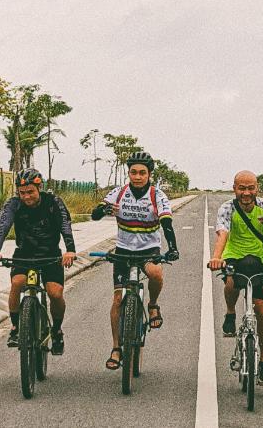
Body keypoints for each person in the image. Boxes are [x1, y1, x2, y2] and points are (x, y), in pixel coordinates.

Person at [90, 151, 179, 370]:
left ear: (150, 174)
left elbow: (166, 223)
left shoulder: (157, 195)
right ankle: (116, 348)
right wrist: (104, 209)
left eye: (142, 173)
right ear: (128, 173)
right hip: (123, 249)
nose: (137, 177)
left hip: (148, 249)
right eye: (133, 172)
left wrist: (173, 248)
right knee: (118, 300)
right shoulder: (119, 193)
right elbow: (94, 215)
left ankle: (153, 305)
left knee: (156, 274)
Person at [207, 170, 263, 386]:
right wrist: (216, 258)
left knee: (262, 309)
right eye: (242, 188)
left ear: (257, 188)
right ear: (234, 188)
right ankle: (230, 312)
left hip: (260, 260)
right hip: (233, 256)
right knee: (231, 283)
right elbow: (222, 234)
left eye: (250, 188)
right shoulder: (227, 208)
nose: (246, 193)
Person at [0, 168, 76, 355]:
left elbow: (65, 225)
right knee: (17, 283)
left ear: (39, 187)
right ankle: (16, 327)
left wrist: (70, 250)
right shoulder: (14, 204)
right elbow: (3, 226)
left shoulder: (53, 202)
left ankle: (57, 330)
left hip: (50, 254)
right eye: (22, 192)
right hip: (24, 254)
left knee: (55, 293)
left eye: (30, 192)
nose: (26, 197)